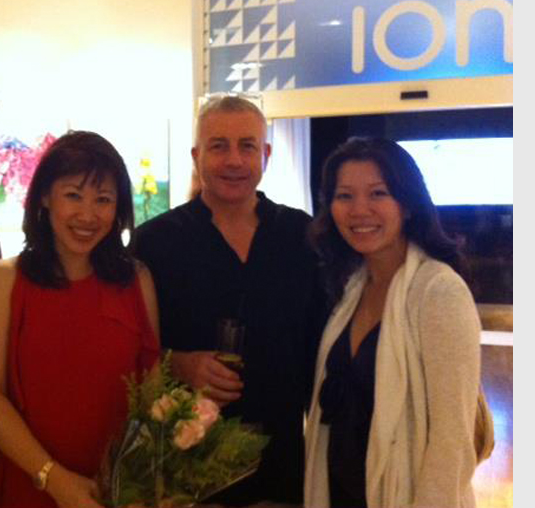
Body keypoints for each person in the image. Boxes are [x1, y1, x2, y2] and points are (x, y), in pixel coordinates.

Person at [131, 95, 327, 506]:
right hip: (185, 472)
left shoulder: (302, 235)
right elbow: (126, 348)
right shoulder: (154, 243)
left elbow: (322, 347)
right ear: (196, 155)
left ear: (266, 155)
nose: (234, 160)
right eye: (219, 146)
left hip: (283, 466)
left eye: (247, 146)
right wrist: (177, 362)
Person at [0, 130, 160, 508]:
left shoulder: (137, 280)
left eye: (103, 199)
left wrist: (135, 474)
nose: (87, 215)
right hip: (24, 482)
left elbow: (151, 385)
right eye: (73, 195)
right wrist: (54, 479)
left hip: (112, 490)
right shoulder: (3, 279)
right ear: (45, 196)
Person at [304, 136, 482, 508]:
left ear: (408, 204)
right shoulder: (351, 289)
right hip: (341, 493)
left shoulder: (438, 291)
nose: (359, 210)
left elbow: (452, 439)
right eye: (344, 196)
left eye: (378, 193)